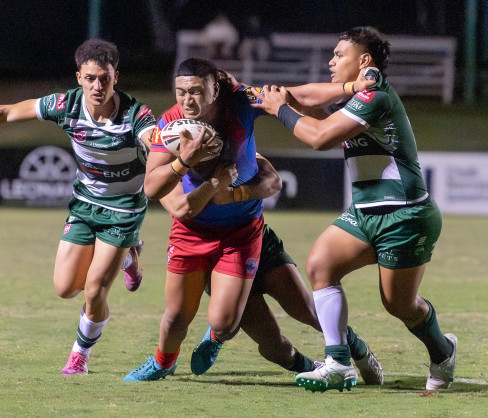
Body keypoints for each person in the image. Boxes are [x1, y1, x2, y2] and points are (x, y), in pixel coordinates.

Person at [0, 39, 156, 376]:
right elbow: (8, 112)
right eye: (90, 78)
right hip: (84, 205)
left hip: (123, 210)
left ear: (116, 77)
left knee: (95, 290)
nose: (98, 86)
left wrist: (171, 146)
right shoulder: (66, 105)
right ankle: (127, 256)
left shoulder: (135, 114)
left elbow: (154, 140)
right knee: (65, 288)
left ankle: (79, 356)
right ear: (79, 77)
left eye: (105, 79)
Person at [252, 26, 457, 392]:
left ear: (364, 60)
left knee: (399, 305)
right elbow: (305, 95)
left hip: (405, 215)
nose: (331, 61)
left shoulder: (375, 97)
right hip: (365, 212)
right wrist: (251, 94)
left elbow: (320, 138)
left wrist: (280, 110)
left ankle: (443, 351)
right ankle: (339, 362)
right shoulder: (354, 95)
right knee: (321, 265)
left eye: (339, 55)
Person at [159, 154, 383, 384]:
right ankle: (309, 366)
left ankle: (359, 350)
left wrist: (237, 193)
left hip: (253, 244)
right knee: (273, 347)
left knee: (309, 311)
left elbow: (273, 181)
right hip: (216, 256)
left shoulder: (235, 148)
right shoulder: (174, 164)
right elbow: (169, 199)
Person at [123, 57, 268, 382]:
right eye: (181, 92)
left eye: (196, 91)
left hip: (240, 231)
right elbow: (153, 189)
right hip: (191, 231)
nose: (187, 99)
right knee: (176, 316)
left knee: (225, 324)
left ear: (214, 89)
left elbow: (294, 97)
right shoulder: (171, 124)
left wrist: (348, 89)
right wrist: (184, 162)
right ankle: (163, 363)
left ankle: (214, 337)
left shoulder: (240, 103)